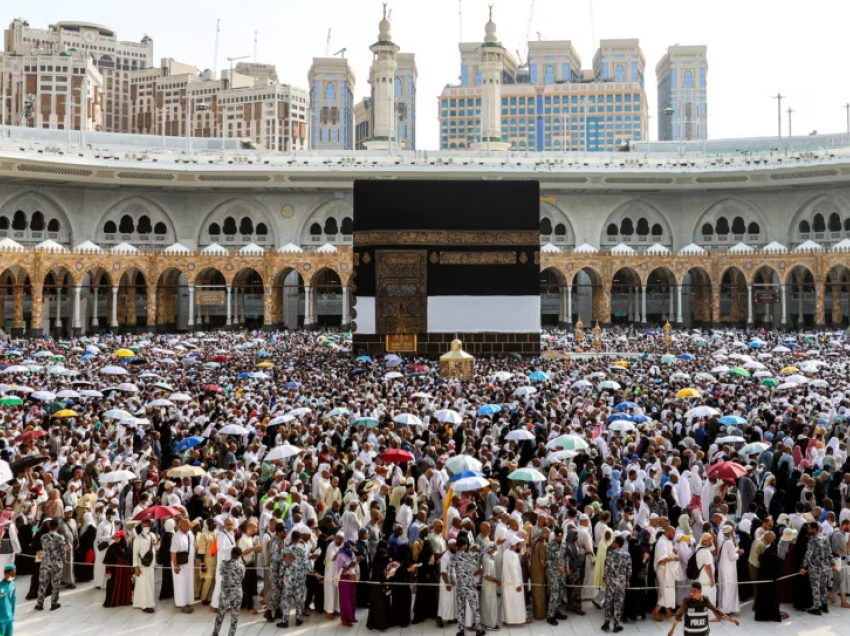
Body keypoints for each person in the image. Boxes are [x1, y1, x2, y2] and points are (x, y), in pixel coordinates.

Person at [668, 582, 739, 636]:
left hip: (703, 633)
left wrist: (730, 619)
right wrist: (672, 630)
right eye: (691, 590)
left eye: (694, 591)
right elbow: (679, 616)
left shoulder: (705, 600)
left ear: (700, 591)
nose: (692, 593)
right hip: (690, 633)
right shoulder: (686, 601)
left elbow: (716, 611)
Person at [448, 535, 485, 636]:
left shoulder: (453, 557)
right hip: (470, 586)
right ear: (464, 546)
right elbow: (481, 553)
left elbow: (450, 571)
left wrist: (452, 581)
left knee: (461, 609)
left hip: (460, 587)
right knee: (474, 608)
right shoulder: (469, 556)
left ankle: (461, 630)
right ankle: (478, 630)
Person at [211, 546, 245, 636]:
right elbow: (241, 578)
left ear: (231, 554)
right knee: (235, 616)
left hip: (225, 593)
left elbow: (221, 573)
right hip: (237, 593)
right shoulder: (241, 566)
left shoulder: (223, 564)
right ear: (239, 556)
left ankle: (215, 633)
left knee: (220, 614)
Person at [802, 520, 833, 615]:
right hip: (824, 566)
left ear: (814, 529)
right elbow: (829, 551)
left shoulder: (812, 539)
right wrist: (832, 563)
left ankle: (816, 607)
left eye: (810, 528)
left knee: (815, 587)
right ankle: (824, 605)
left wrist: (803, 566)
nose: (808, 530)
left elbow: (808, 554)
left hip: (814, 567)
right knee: (823, 587)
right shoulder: (824, 537)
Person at [602, 534, 631, 633]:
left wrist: (604, 577)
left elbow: (606, 567)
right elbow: (629, 569)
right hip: (621, 582)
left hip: (610, 581)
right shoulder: (627, 554)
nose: (612, 543)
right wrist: (627, 580)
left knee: (609, 601)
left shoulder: (610, 553)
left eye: (614, 542)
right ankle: (616, 625)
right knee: (618, 603)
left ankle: (606, 623)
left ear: (617, 543)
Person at [35, 519, 65, 611]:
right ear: (57, 527)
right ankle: (54, 604)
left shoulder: (43, 537)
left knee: (42, 584)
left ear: (49, 526)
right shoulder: (60, 537)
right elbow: (63, 553)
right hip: (56, 564)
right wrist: (64, 559)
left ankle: (40, 604)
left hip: (45, 563)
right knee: (55, 585)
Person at [171, 517, 196, 614]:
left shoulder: (190, 534)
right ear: (181, 525)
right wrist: (175, 565)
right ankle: (182, 604)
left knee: (188, 583)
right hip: (180, 564)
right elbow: (173, 552)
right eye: (186, 525)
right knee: (181, 584)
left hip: (189, 564)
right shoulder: (177, 536)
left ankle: (187, 601)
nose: (188, 527)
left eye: (189, 525)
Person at [132, 519, 157, 613]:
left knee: (149, 584)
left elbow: (155, 548)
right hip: (142, 565)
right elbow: (135, 554)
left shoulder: (152, 535)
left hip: (150, 565)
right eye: (144, 526)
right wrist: (136, 567)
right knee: (143, 585)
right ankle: (145, 605)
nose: (146, 527)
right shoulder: (138, 539)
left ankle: (147, 603)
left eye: (148, 525)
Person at [211, 517, 236, 611]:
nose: (229, 526)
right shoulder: (221, 535)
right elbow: (221, 550)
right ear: (224, 525)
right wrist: (233, 548)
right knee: (220, 585)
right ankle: (215, 605)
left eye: (231, 524)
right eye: (227, 524)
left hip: (230, 563)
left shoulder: (231, 534)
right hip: (223, 564)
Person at [102, 531, 132, 607]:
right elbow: (107, 560)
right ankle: (111, 602)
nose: (116, 539)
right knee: (112, 585)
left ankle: (124, 601)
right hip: (114, 571)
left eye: (118, 537)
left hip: (125, 572)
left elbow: (129, 559)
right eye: (116, 537)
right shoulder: (112, 547)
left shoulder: (127, 547)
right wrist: (108, 570)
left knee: (124, 585)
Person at [501, 535, 526, 626]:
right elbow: (514, 571)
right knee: (515, 603)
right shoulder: (512, 556)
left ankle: (507, 620)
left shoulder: (507, 552)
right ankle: (515, 621)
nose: (521, 547)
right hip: (513, 584)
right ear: (515, 545)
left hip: (508, 583)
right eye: (520, 545)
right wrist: (517, 585)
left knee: (509, 603)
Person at [545, 527, 567, 625]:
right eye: (558, 536)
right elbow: (547, 560)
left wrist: (568, 568)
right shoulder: (549, 545)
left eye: (561, 536)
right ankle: (550, 615)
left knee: (561, 592)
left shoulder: (563, 544)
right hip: (553, 573)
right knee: (554, 594)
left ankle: (557, 611)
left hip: (562, 573)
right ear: (555, 535)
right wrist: (556, 567)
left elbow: (565, 557)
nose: (560, 538)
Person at [336, 540, 360, 627]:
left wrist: (356, 574)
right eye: (350, 547)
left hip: (351, 578)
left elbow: (355, 566)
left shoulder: (351, 554)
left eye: (352, 548)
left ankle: (351, 617)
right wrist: (351, 565)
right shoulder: (341, 556)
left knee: (352, 599)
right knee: (345, 600)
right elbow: (342, 570)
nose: (351, 549)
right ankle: (345, 619)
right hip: (344, 579)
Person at [93, 508, 115, 589]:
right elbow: (98, 537)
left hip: (110, 548)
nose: (111, 516)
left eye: (112, 514)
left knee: (107, 566)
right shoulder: (101, 525)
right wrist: (110, 537)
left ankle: (106, 583)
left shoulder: (112, 524)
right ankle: (99, 583)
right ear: (107, 515)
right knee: (100, 566)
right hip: (103, 548)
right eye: (110, 514)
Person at [324, 531, 343, 618]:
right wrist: (339, 551)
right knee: (330, 594)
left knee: (337, 593)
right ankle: (329, 612)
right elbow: (333, 558)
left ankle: (336, 609)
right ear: (335, 538)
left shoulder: (341, 545)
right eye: (339, 539)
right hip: (330, 574)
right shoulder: (331, 546)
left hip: (337, 573)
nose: (340, 541)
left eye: (342, 540)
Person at [0, 565, 17, 636]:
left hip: (9, 619)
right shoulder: (0, 587)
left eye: (15, 574)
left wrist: (12, 615)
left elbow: (13, 600)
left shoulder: (13, 585)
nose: (14, 576)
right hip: (1, 621)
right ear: (6, 574)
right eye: (12, 574)